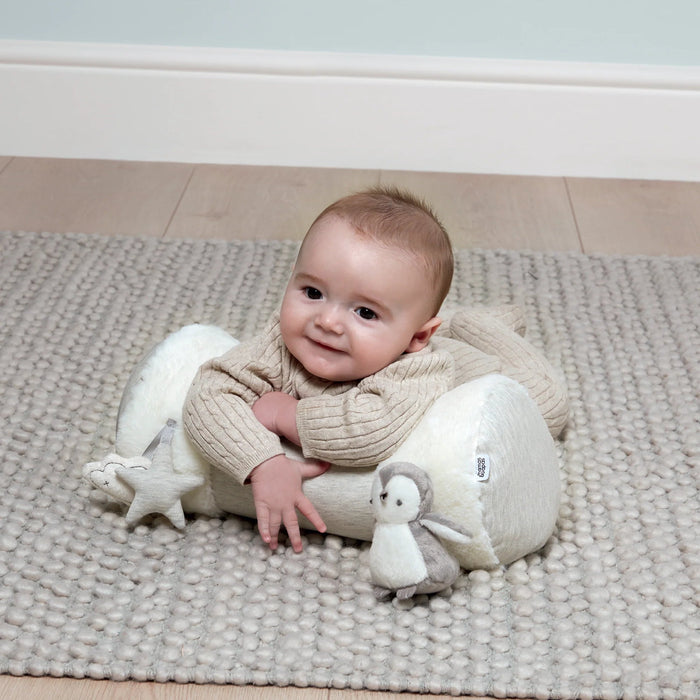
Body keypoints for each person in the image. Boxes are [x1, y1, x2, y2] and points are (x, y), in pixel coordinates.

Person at [182, 187, 568, 552]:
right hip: (413, 332)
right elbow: (209, 393)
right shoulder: (281, 341)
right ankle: (445, 324)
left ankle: (481, 328)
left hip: (472, 369)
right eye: (312, 292)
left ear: (417, 339)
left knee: (549, 405)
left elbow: (370, 431)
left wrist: (286, 415)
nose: (328, 321)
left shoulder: (417, 369)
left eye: (365, 312)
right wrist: (262, 462)